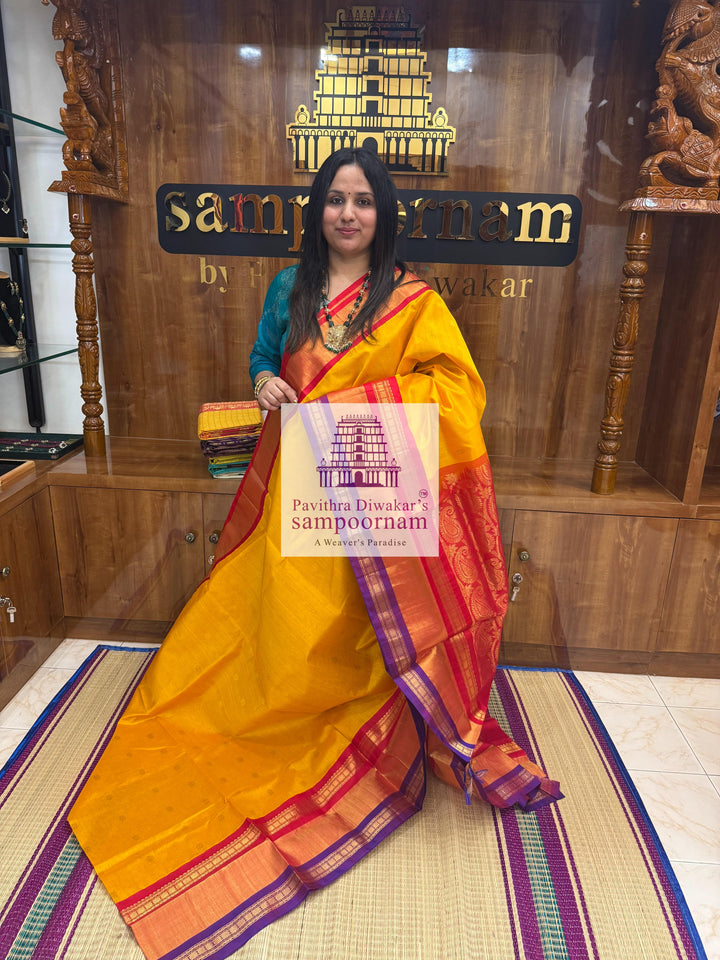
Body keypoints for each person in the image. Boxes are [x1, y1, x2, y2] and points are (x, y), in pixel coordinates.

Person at [69, 148, 560, 960]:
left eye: (363, 201)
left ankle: (363, 711)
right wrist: (266, 384)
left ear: (383, 213)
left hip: (376, 496)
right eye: (335, 199)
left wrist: (360, 402)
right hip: (300, 487)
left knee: (361, 633)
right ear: (318, 210)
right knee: (265, 633)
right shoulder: (287, 290)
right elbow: (267, 360)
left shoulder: (411, 300)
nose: (348, 214)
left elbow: (454, 389)